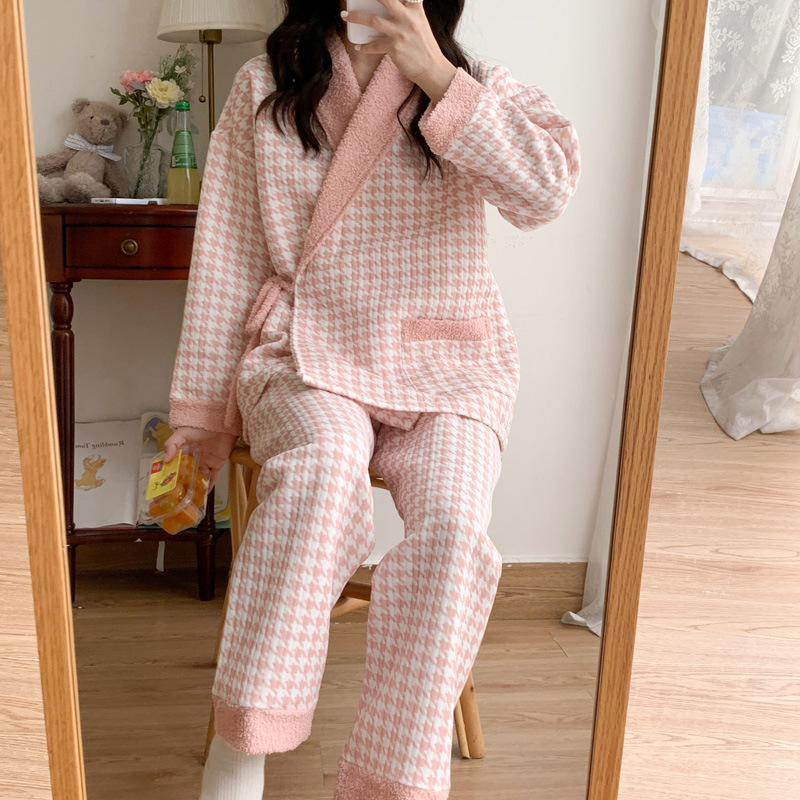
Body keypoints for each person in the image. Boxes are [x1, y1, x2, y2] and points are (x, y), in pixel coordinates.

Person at [164, 0, 580, 797]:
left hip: (449, 359)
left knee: (455, 530)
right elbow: (227, 255)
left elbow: (547, 192)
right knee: (321, 475)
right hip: (308, 351)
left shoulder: (474, 82)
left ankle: (394, 779)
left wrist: (439, 79)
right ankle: (242, 744)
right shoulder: (265, 85)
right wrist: (202, 417)